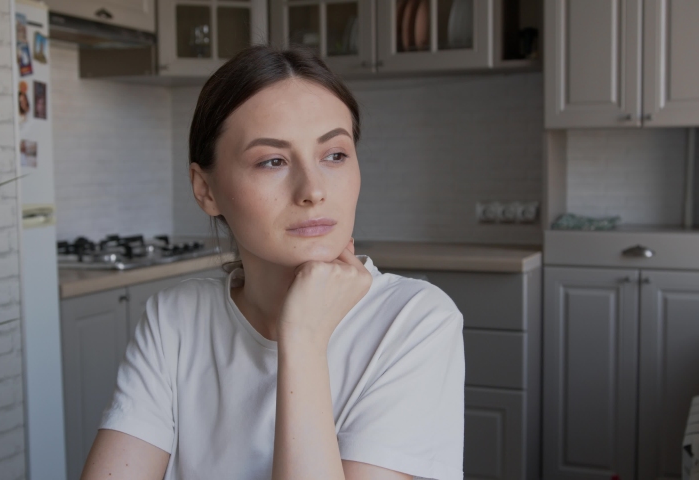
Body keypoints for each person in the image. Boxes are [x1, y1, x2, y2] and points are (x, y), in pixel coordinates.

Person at [80, 45, 465, 480]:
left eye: (334, 154)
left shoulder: (414, 321)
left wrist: (301, 338)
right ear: (205, 189)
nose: (313, 189)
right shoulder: (176, 319)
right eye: (273, 161)